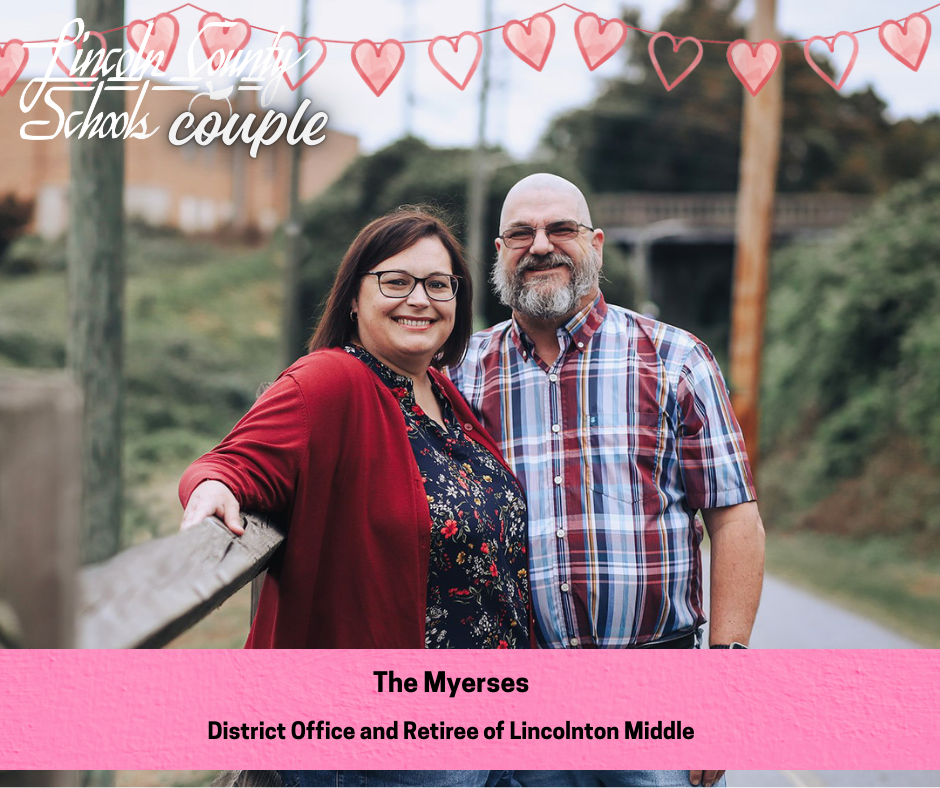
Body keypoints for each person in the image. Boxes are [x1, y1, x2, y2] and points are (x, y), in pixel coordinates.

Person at [449, 174, 766, 788]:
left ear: (595, 244)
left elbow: (734, 518)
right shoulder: (459, 375)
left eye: (561, 229)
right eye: (522, 233)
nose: (541, 245)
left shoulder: (676, 359)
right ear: (500, 252)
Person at [179, 208, 530, 657]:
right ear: (353, 299)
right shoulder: (330, 379)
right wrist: (214, 486)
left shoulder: (443, 392)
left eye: (438, 284)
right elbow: (233, 463)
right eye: (396, 282)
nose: (419, 299)